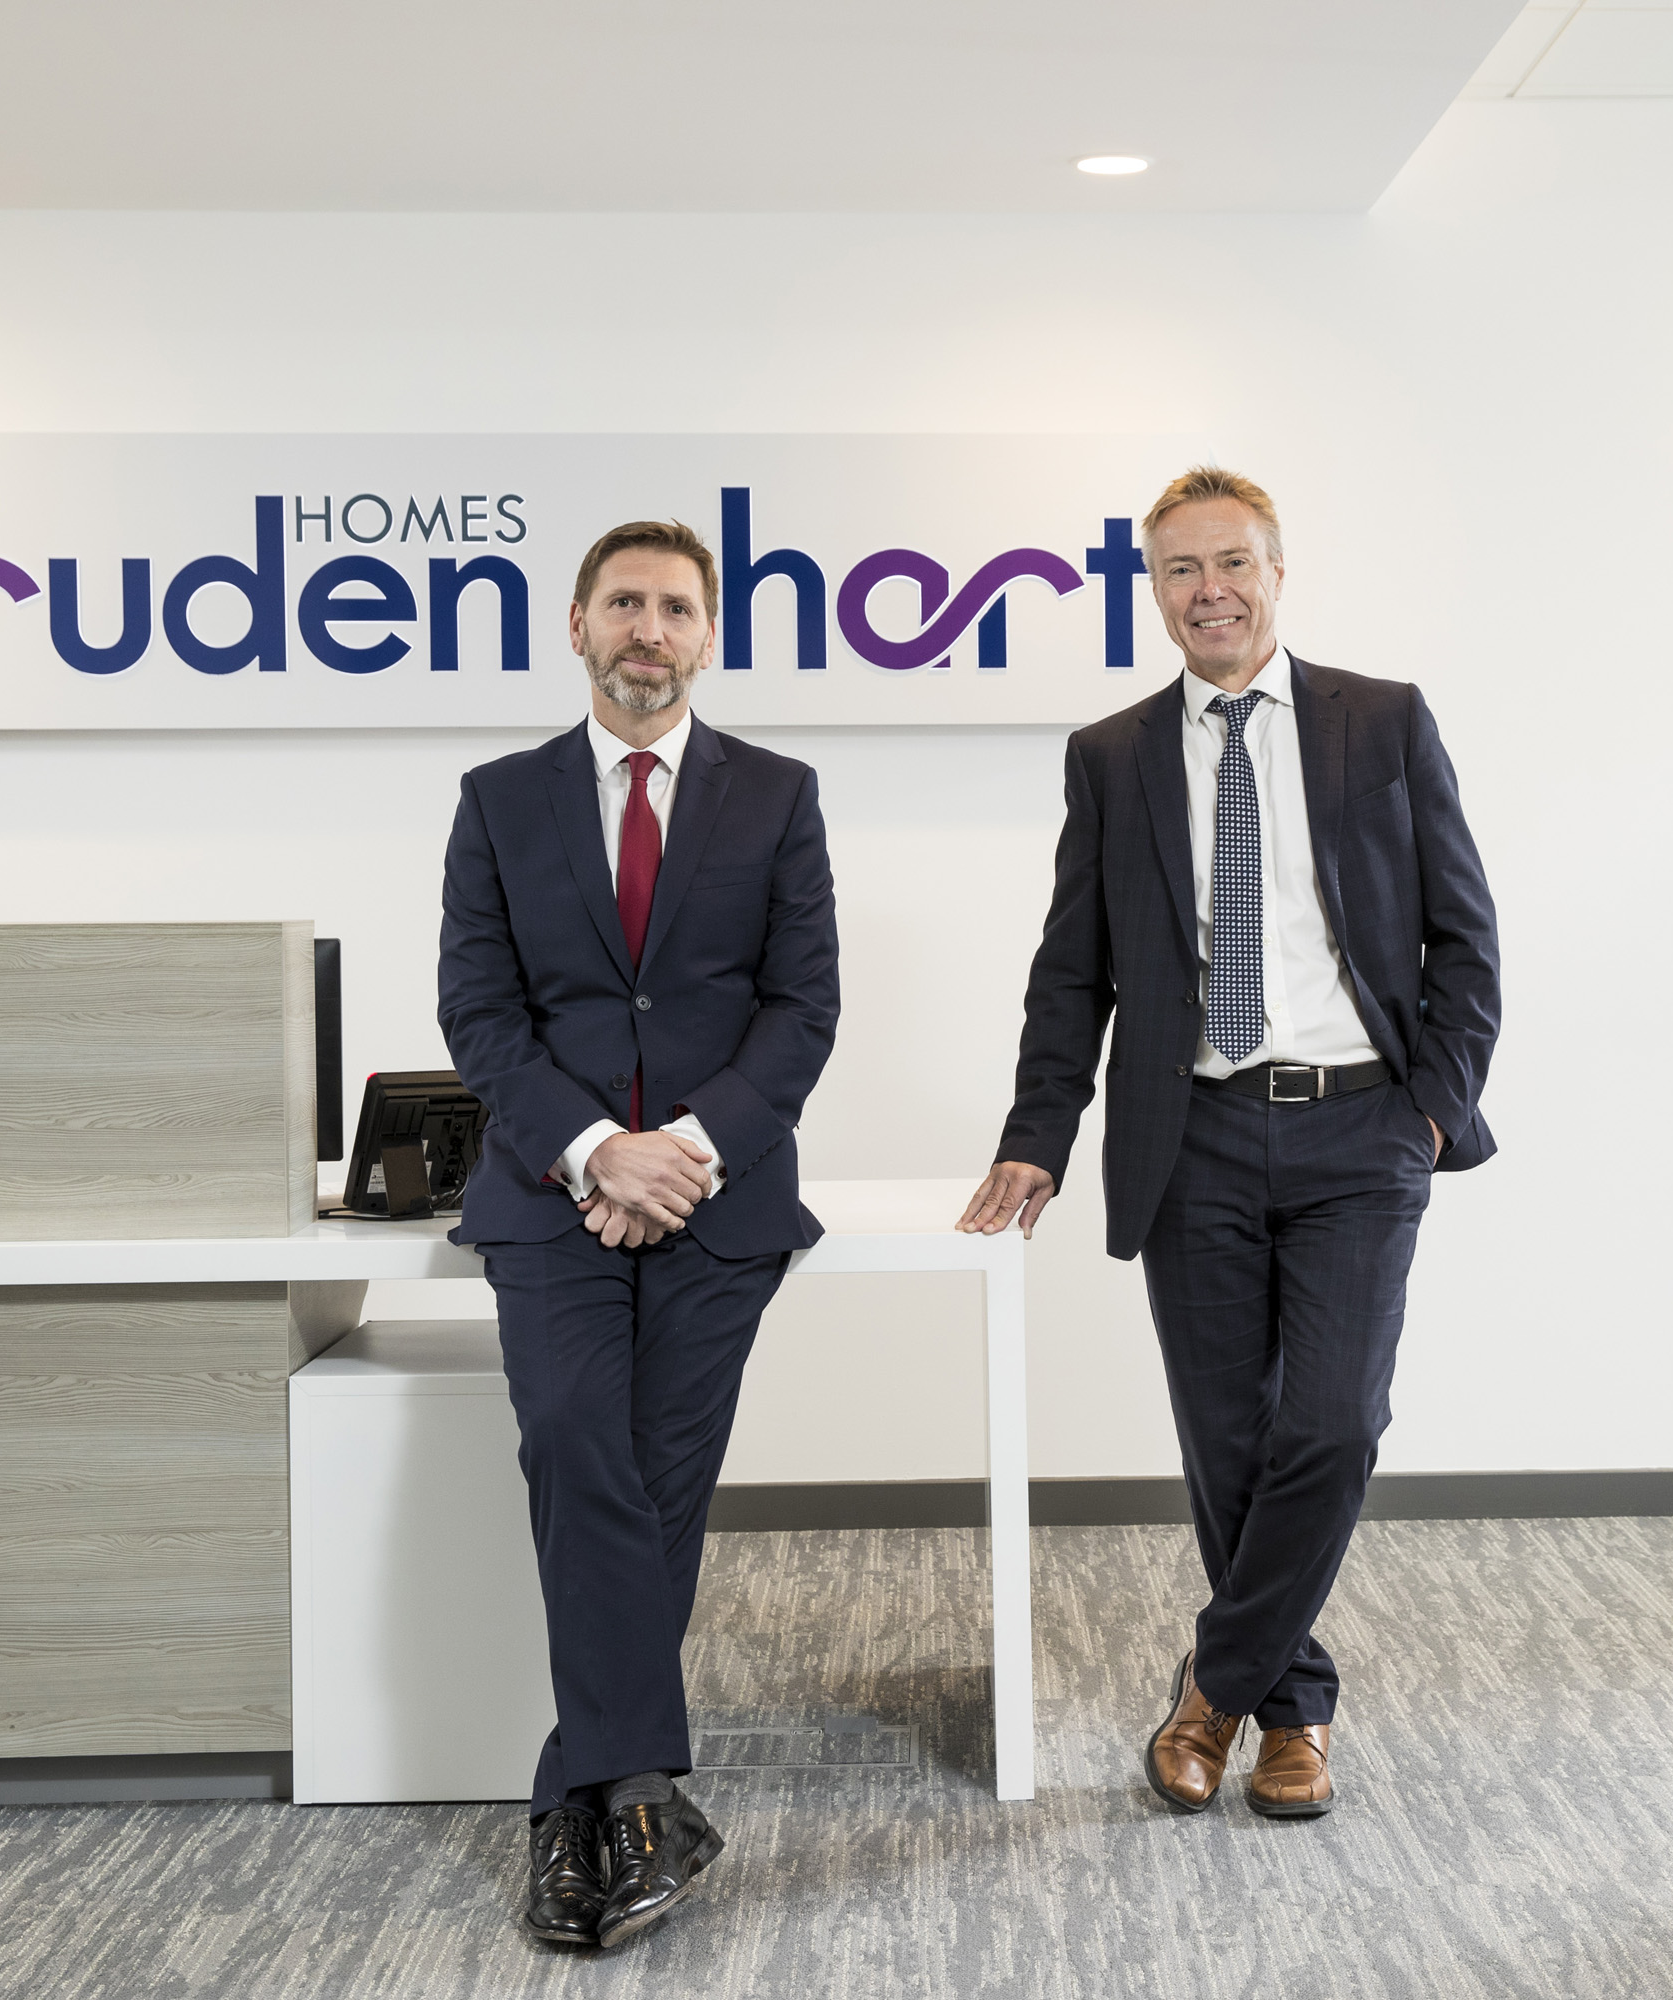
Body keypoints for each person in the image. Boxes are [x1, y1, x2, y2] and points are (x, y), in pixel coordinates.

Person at [958, 467, 1500, 1819]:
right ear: (1155, 591)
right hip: (1189, 1134)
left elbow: (1465, 935)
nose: (1210, 592)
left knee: (1333, 1422)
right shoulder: (1115, 753)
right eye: (1181, 571)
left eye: (1232, 564)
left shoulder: (1382, 722)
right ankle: (1293, 1714)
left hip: (1358, 1128)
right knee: (1229, 1445)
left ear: (1277, 571)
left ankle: (1212, 1690)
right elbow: (1071, 970)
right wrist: (1040, 1131)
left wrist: (1428, 1103)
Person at [437, 518, 838, 1947]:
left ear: (707, 634)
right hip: (555, 1197)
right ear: (577, 625)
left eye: (674, 606)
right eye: (624, 603)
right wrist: (602, 1150)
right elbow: (480, 1015)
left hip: (722, 1199)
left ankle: (580, 1803)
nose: (647, 629)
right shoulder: (499, 800)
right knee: (574, 1446)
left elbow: (804, 1011)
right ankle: (636, 1796)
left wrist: (686, 1153)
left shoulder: (778, 796)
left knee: (659, 1483)